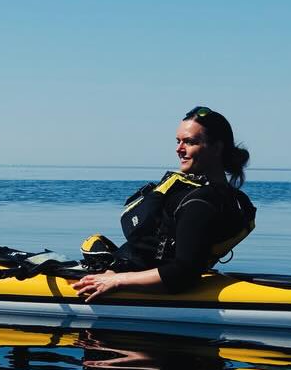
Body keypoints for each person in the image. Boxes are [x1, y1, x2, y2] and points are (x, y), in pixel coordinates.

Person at [72, 106, 254, 300]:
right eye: (178, 141)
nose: (179, 149)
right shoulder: (232, 198)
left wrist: (116, 280)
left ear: (217, 148)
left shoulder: (199, 202)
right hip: (123, 266)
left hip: (134, 278)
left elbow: (182, 273)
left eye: (189, 142)